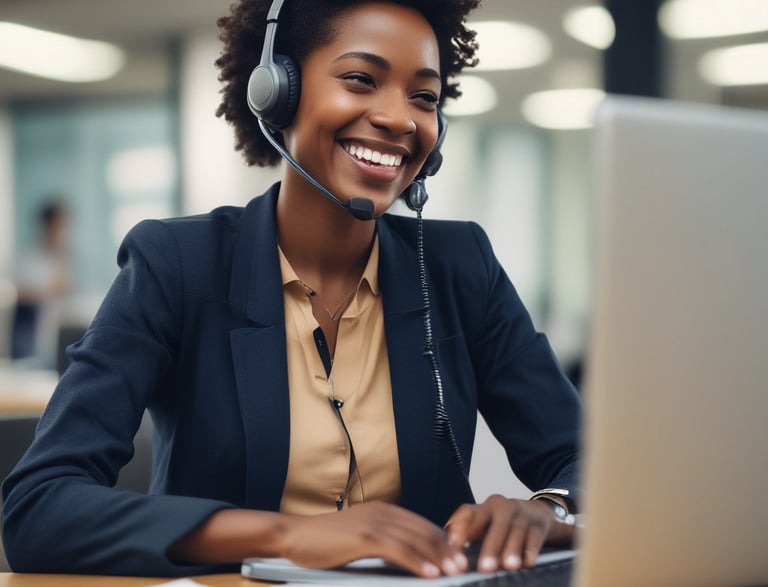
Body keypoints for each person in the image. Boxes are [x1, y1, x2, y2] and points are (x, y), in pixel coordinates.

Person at [1, 0, 582, 578]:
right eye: (361, 79)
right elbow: (39, 509)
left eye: (424, 97)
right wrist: (291, 536)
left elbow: (589, 461)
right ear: (277, 91)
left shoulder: (460, 267)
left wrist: (551, 508)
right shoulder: (177, 264)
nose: (400, 119)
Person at [10, 200, 71, 366]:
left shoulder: (63, 258)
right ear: (47, 226)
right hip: (29, 337)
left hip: (54, 334)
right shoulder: (28, 257)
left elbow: (65, 290)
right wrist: (48, 291)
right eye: (60, 225)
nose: (63, 232)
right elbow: (19, 293)